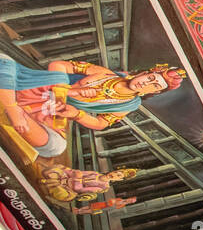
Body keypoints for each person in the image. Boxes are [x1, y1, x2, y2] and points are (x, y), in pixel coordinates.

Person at [0, 56, 185, 164]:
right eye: (150, 77)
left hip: (55, 109)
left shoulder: (129, 104)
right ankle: (13, 109)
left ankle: (14, 109)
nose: (147, 82)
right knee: (5, 63)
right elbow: (59, 65)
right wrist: (67, 90)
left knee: (56, 146)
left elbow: (100, 123)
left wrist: (76, 114)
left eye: (154, 85)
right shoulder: (105, 74)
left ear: (155, 91)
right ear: (145, 73)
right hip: (44, 87)